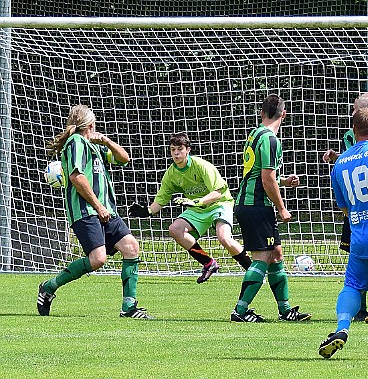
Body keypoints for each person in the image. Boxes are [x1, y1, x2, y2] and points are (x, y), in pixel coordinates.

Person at [37, 104, 153, 319]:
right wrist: (98, 206)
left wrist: (106, 141)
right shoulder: (76, 142)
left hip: (106, 210)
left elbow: (123, 159)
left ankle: (129, 308)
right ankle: (49, 287)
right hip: (86, 210)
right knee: (98, 259)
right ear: (90, 123)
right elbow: (76, 177)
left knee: (131, 247)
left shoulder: (95, 146)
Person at [319, 106, 368, 358]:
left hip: (363, 238)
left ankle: (341, 329)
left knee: (352, 285)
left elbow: (344, 207)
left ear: (353, 131)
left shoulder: (340, 163)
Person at [128, 132, 252, 283]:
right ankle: (208, 263)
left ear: (188, 150)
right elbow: (161, 199)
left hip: (219, 204)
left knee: (224, 238)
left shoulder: (201, 166)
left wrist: (197, 202)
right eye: (173, 149)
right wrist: (147, 211)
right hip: (198, 207)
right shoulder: (171, 174)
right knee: (175, 230)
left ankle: (253, 271)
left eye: (179, 149)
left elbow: (217, 193)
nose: (176, 153)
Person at [230, 94, 312, 322]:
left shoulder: (255, 134)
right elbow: (267, 179)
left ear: (261, 113)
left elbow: (259, 174)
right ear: (283, 114)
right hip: (256, 205)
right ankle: (240, 310)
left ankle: (285, 311)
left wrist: (283, 181)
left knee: (275, 254)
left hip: (250, 203)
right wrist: (282, 208)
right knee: (263, 256)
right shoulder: (271, 140)